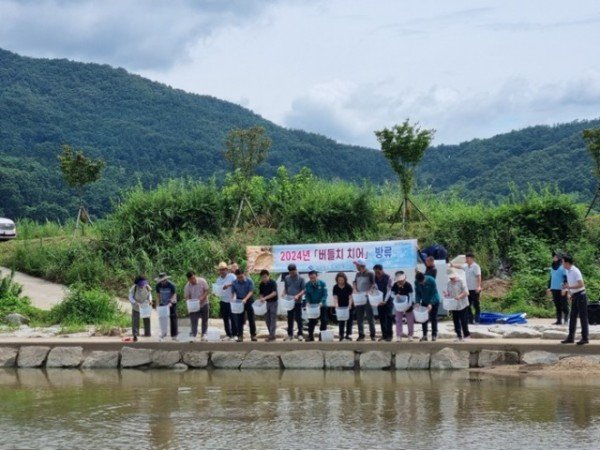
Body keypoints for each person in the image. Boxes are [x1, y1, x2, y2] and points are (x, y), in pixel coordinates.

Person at [560, 255, 589, 345]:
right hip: (575, 295)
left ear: (567, 263)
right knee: (572, 317)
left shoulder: (575, 271)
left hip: (581, 295)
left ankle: (585, 338)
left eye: (563, 262)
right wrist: (569, 292)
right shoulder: (568, 271)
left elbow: (581, 284)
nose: (562, 264)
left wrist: (569, 287)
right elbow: (570, 283)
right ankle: (570, 337)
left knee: (583, 317)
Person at [453, 252, 482, 324]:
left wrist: (478, 286)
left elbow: (478, 276)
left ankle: (477, 319)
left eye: (468, 258)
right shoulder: (466, 266)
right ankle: (470, 320)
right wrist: (451, 265)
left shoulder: (476, 266)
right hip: (467, 290)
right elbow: (459, 266)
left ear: (472, 258)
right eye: (466, 258)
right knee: (467, 305)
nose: (466, 259)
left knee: (476, 305)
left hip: (474, 289)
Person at [231, 268, 257, 342]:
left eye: (241, 277)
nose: (240, 279)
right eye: (238, 277)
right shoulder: (234, 282)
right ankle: (240, 336)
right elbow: (233, 292)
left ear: (244, 275)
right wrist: (232, 299)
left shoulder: (249, 281)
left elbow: (251, 291)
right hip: (239, 300)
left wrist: (245, 299)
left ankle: (253, 335)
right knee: (240, 319)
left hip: (249, 300)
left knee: (251, 318)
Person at [353, 258, 376, 341]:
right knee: (359, 317)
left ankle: (373, 335)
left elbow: (373, 284)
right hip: (359, 297)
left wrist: (368, 291)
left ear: (361, 265)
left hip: (368, 297)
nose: (356, 266)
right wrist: (355, 289)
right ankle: (361, 335)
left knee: (370, 317)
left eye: (357, 265)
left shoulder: (370, 273)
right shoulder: (357, 274)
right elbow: (354, 282)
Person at [445, 270, 470, 342]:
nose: (451, 279)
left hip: (462, 304)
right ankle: (459, 335)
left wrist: (459, 296)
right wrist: (447, 294)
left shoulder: (461, 281)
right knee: (455, 320)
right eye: (450, 278)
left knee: (463, 320)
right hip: (454, 304)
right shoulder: (449, 283)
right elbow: (449, 293)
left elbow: (466, 292)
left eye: (452, 278)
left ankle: (466, 335)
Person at [283, 264, 306, 341]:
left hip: (298, 301)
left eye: (293, 272)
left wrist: (298, 295)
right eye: (291, 272)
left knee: (298, 318)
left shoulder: (301, 278)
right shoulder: (287, 278)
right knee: (289, 318)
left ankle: (300, 334)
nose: (292, 274)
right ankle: (290, 334)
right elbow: (286, 288)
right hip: (289, 301)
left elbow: (304, 290)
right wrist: (284, 293)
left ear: (296, 270)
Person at [184, 270, 209, 342]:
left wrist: (202, 297)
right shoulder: (187, 286)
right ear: (188, 279)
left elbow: (207, 290)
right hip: (194, 306)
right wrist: (190, 302)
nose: (193, 280)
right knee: (194, 321)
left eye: (194, 278)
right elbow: (187, 297)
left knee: (205, 320)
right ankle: (193, 335)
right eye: (191, 279)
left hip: (204, 303)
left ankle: (204, 334)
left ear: (195, 276)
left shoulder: (202, 281)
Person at [215, 262, 237, 341]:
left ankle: (235, 334)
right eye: (220, 270)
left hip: (232, 300)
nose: (222, 271)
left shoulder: (231, 276)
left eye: (223, 269)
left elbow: (236, 283)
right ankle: (228, 334)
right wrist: (216, 291)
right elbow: (217, 289)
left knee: (233, 318)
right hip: (223, 300)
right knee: (225, 318)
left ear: (226, 270)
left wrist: (228, 285)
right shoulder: (218, 279)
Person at [415, 272, 440, 341]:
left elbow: (434, 293)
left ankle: (434, 335)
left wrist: (431, 303)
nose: (422, 283)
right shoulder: (416, 282)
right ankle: (424, 335)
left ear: (424, 278)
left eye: (422, 282)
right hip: (424, 301)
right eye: (420, 282)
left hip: (434, 300)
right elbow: (417, 293)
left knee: (433, 318)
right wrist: (417, 302)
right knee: (424, 318)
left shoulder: (431, 280)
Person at [304, 270, 328, 341]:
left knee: (323, 320)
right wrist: (308, 302)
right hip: (312, 307)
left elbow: (325, 294)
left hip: (322, 305)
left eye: (314, 277)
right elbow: (307, 295)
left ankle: (322, 336)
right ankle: (310, 336)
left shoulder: (322, 284)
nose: (312, 279)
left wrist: (321, 302)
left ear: (317, 276)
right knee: (311, 321)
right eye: (311, 278)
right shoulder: (307, 284)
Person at [391, 272, 414, 342]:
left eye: (401, 281)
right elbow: (391, 294)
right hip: (399, 305)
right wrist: (395, 296)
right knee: (398, 320)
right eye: (398, 281)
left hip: (408, 305)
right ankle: (399, 335)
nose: (400, 282)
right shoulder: (395, 285)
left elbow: (411, 296)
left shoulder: (408, 285)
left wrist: (408, 306)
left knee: (410, 320)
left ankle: (410, 335)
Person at [547, 252, 569, 325]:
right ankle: (559, 321)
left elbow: (566, 278)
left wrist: (565, 288)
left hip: (561, 289)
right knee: (557, 305)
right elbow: (551, 278)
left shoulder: (562, 266)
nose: (554, 257)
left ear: (559, 257)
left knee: (564, 304)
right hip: (554, 288)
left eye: (556, 256)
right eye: (554, 256)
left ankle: (566, 320)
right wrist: (549, 287)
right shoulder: (552, 266)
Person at [128, 275, 152, 342]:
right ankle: (135, 334)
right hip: (136, 306)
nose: (142, 286)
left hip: (145, 305)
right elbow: (130, 297)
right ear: (137, 284)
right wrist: (135, 302)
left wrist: (150, 300)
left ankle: (147, 333)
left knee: (147, 319)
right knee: (135, 320)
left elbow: (149, 295)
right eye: (141, 285)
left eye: (143, 284)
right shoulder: (134, 288)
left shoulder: (147, 287)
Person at [155, 272, 178, 341]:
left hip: (171, 303)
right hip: (163, 303)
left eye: (163, 280)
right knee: (162, 318)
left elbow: (174, 295)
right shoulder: (158, 285)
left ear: (166, 279)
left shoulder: (171, 285)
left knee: (173, 318)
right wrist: (157, 304)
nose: (162, 282)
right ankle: (163, 333)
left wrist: (170, 302)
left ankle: (174, 335)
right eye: (161, 280)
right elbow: (158, 295)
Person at [373, 264, 393, 342]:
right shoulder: (375, 278)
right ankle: (384, 335)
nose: (377, 274)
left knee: (389, 317)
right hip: (379, 301)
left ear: (382, 270)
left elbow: (389, 291)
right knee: (381, 318)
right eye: (375, 272)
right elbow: (376, 288)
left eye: (378, 272)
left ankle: (389, 335)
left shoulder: (388, 277)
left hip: (388, 301)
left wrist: (385, 301)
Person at [258, 269, 279, 342]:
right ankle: (271, 334)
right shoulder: (261, 284)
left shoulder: (273, 282)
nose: (264, 278)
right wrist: (261, 298)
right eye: (263, 277)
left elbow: (274, 293)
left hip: (273, 302)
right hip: (265, 303)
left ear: (268, 276)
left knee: (273, 318)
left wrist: (265, 298)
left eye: (265, 277)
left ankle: (272, 336)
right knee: (267, 319)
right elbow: (261, 293)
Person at [332, 272, 353, 341]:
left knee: (349, 320)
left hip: (348, 305)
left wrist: (349, 305)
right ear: (337, 280)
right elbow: (335, 297)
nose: (340, 281)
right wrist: (336, 305)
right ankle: (341, 335)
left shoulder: (348, 286)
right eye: (339, 280)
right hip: (340, 306)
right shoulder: (335, 287)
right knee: (341, 320)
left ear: (345, 279)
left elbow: (350, 297)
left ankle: (348, 335)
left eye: (342, 280)